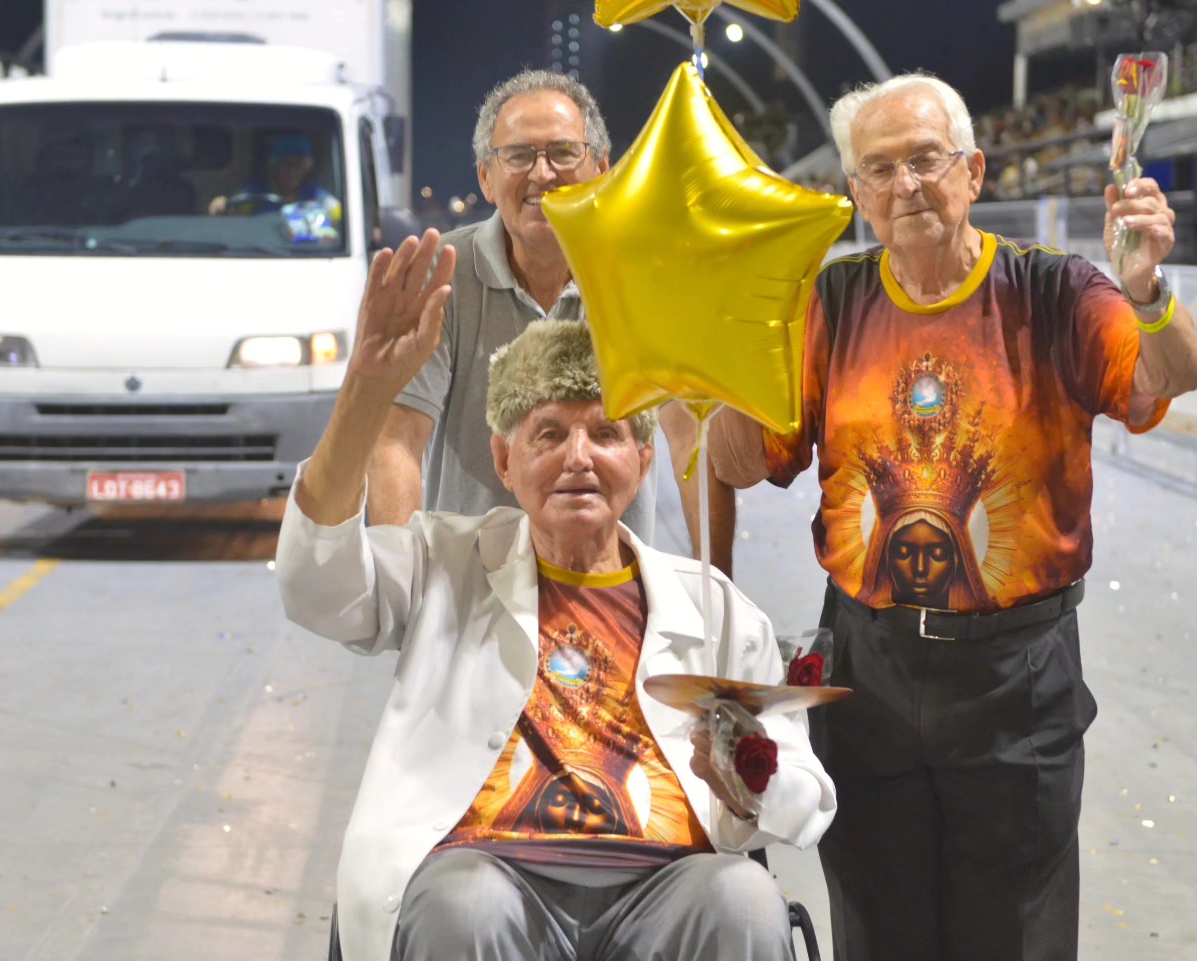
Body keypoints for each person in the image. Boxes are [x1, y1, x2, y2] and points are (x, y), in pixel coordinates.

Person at [703, 73, 1197, 961]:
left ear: (972, 171)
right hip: (868, 664)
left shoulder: (1055, 291)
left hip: (1017, 674)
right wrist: (726, 351)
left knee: (1015, 935)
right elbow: (744, 465)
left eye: (926, 160)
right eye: (880, 169)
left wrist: (1148, 291)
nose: (906, 186)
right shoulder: (828, 305)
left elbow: (1169, 378)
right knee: (877, 927)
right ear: (855, 192)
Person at [276, 229, 836, 961]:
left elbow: (806, 791)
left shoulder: (715, 609)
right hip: (491, 868)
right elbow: (315, 582)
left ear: (640, 459)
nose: (579, 458)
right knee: (463, 903)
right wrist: (366, 390)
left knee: (744, 897)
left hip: (663, 881)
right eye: (549, 433)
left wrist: (744, 781)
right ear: (506, 460)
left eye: (605, 432)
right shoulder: (444, 562)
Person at [366, 70, 671, 549]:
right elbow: (396, 441)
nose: (542, 173)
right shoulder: (441, 274)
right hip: (471, 584)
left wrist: (716, 586)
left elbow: (692, 433)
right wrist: (402, 586)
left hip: (611, 588)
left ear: (602, 169)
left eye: (563, 152)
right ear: (486, 179)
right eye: (519, 155)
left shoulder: (646, 278)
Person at [209, 133, 342, 241]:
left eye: (298, 165)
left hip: (305, 255)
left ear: (306, 168)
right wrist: (220, 207)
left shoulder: (314, 194)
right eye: (286, 164)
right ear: (275, 166)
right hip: (260, 253)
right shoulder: (255, 190)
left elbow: (341, 213)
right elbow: (232, 212)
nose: (291, 171)